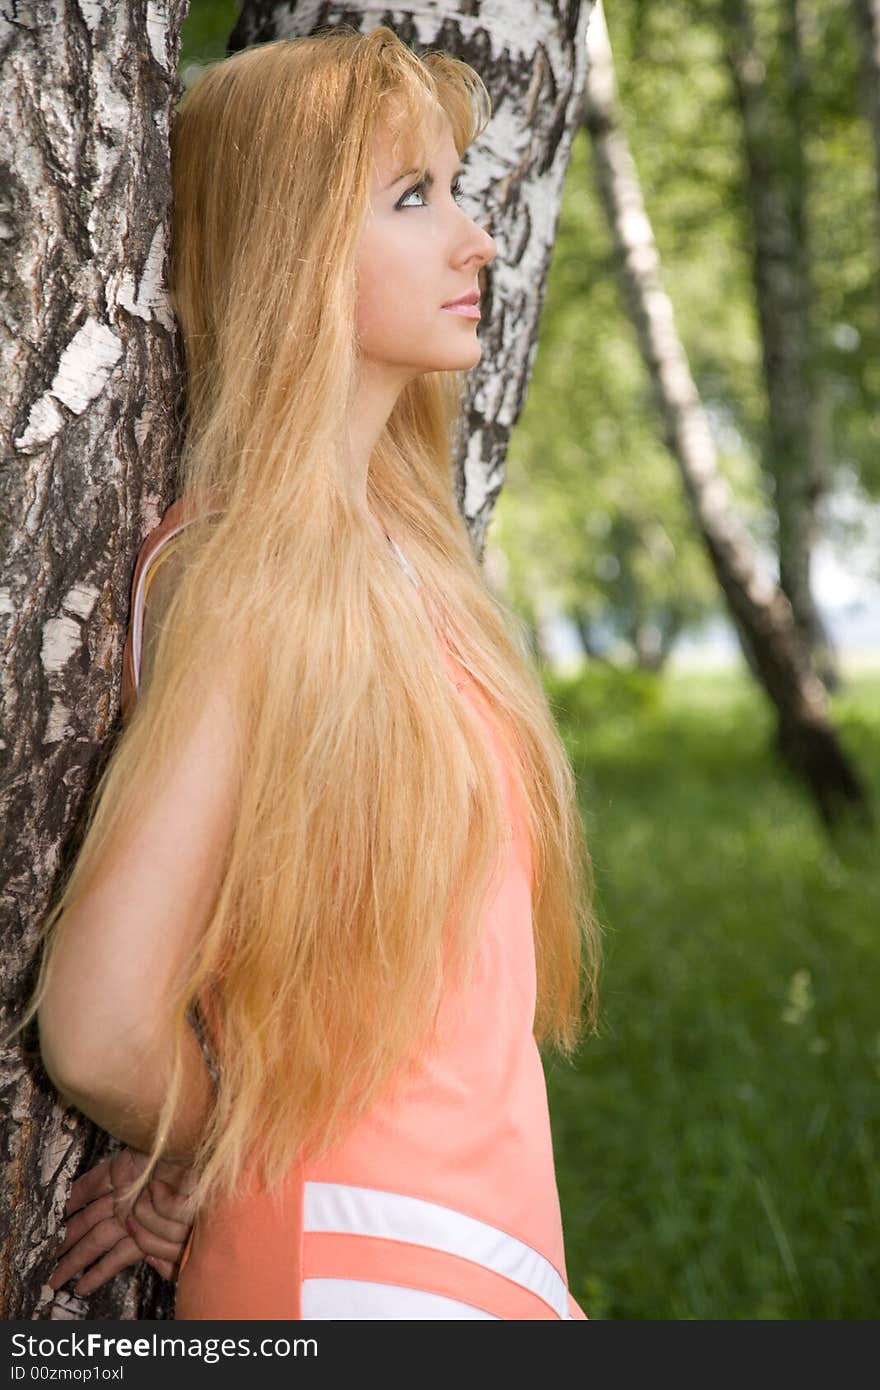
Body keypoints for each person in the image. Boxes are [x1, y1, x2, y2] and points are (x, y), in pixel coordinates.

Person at [21, 26, 601, 1320]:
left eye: (460, 193)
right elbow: (105, 1016)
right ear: (293, 250)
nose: (478, 242)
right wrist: (223, 1139)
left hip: (480, 1267)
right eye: (415, 199)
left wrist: (227, 1138)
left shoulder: (407, 570)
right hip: (354, 1273)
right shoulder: (247, 574)